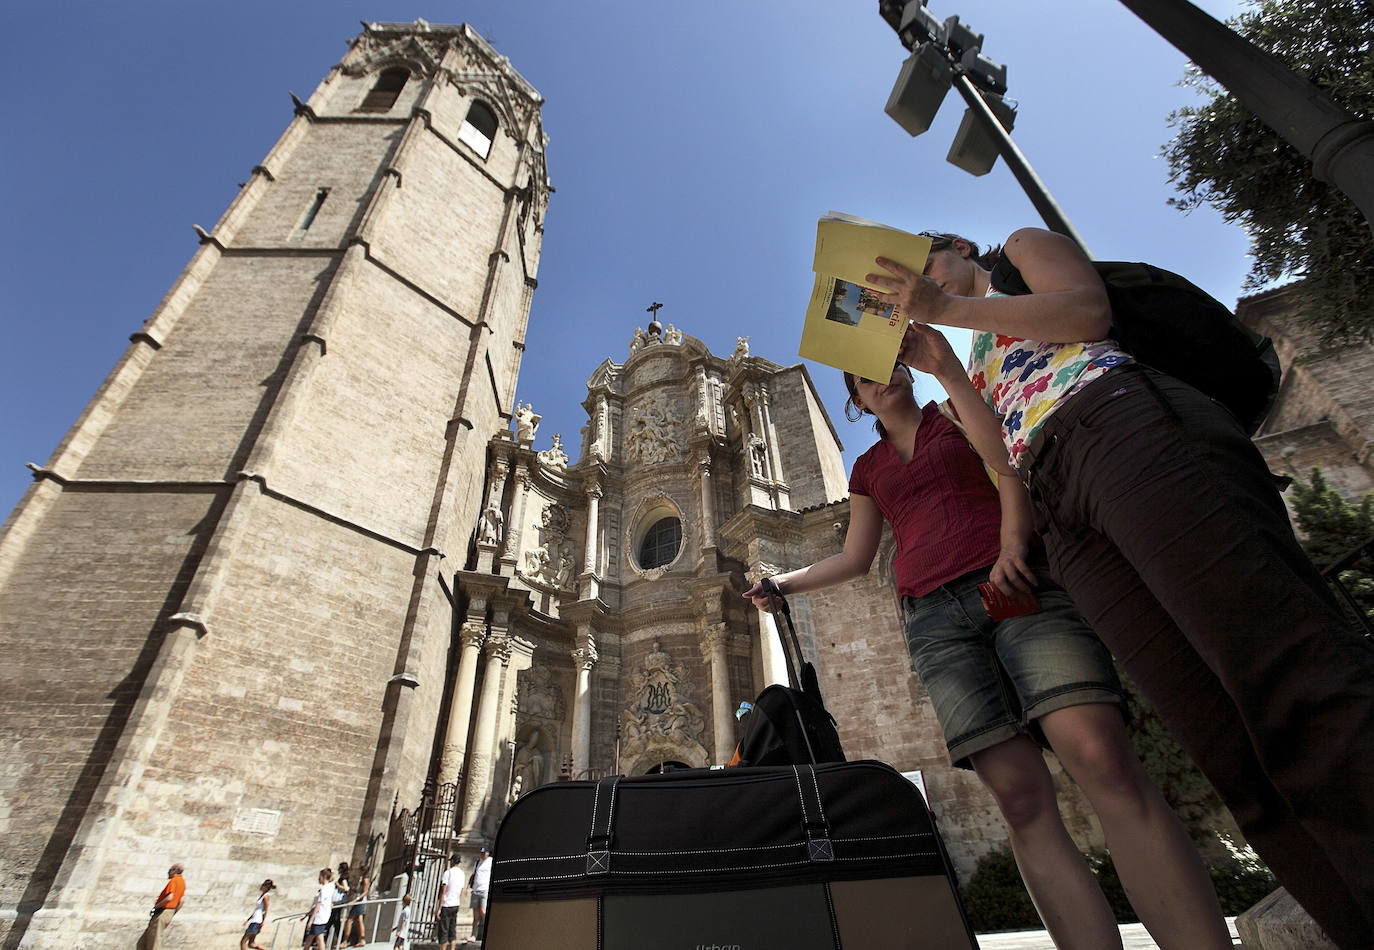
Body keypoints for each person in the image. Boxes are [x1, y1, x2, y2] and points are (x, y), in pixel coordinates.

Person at [865, 228, 1374, 949]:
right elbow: (995, 457)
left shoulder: (1018, 253)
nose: (918, 283)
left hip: (1115, 423)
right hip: (1057, 499)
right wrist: (948, 371)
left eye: (923, 264)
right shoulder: (972, 350)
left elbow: (1085, 314)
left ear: (959, 248)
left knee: (1287, 677)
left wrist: (945, 307)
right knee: (1222, 742)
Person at [742, 359, 1230, 949]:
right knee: (1021, 800)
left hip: (1010, 585)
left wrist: (946, 368)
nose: (880, 379)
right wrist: (782, 584)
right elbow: (855, 557)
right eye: (864, 380)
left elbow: (1007, 463)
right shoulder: (866, 470)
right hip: (933, 620)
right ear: (858, 403)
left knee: (1101, 758)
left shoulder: (952, 412)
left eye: (888, 365)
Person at [136, 863, 186, 950]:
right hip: (169, 912)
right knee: (142, 943)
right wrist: (173, 912)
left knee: (154, 942)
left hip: (162, 912)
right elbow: (181, 901)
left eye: (169, 870)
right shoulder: (182, 882)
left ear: (175, 870)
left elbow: (169, 898)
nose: (168, 873)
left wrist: (156, 906)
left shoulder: (174, 881)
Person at [434, 852, 463, 950]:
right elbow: (461, 890)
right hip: (456, 903)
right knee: (452, 930)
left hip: (447, 904)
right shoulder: (462, 874)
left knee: (444, 931)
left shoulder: (448, 872)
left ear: (452, 861)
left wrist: (439, 908)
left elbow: (443, 890)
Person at [466, 846, 493, 944]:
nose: (482, 854)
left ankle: (488, 932)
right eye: (481, 853)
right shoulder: (478, 862)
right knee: (475, 915)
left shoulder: (491, 862)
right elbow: (473, 875)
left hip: (485, 889)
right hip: (476, 890)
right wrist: (469, 887)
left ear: (488, 853)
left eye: (484, 853)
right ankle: (473, 935)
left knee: (483, 911)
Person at [301, 868, 334, 950]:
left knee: (319, 938)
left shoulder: (325, 888)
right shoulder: (330, 887)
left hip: (319, 916)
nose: (319, 879)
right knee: (311, 937)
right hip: (324, 915)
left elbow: (319, 904)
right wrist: (307, 914)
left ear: (324, 876)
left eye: (320, 877)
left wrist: (311, 920)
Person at [241, 879, 275, 950]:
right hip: (255, 920)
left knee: (243, 942)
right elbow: (257, 910)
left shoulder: (265, 896)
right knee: (251, 944)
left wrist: (263, 922)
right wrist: (248, 919)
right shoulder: (262, 896)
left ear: (266, 887)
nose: (261, 887)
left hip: (257, 921)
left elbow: (265, 910)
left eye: (263, 885)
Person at [344, 864, 370, 947]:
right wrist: (354, 889)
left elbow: (365, 892)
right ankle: (360, 939)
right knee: (358, 920)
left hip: (360, 902)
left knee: (350, 920)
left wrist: (356, 899)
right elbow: (361, 891)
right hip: (359, 901)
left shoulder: (365, 880)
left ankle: (346, 940)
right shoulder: (363, 879)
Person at [325, 862, 350, 949]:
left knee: (333, 921)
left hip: (339, 902)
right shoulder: (344, 877)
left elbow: (346, 889)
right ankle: (326, 939)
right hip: (338, 903)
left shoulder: (343, 878)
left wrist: (337, 885)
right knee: (334, 921)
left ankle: (341, 939)